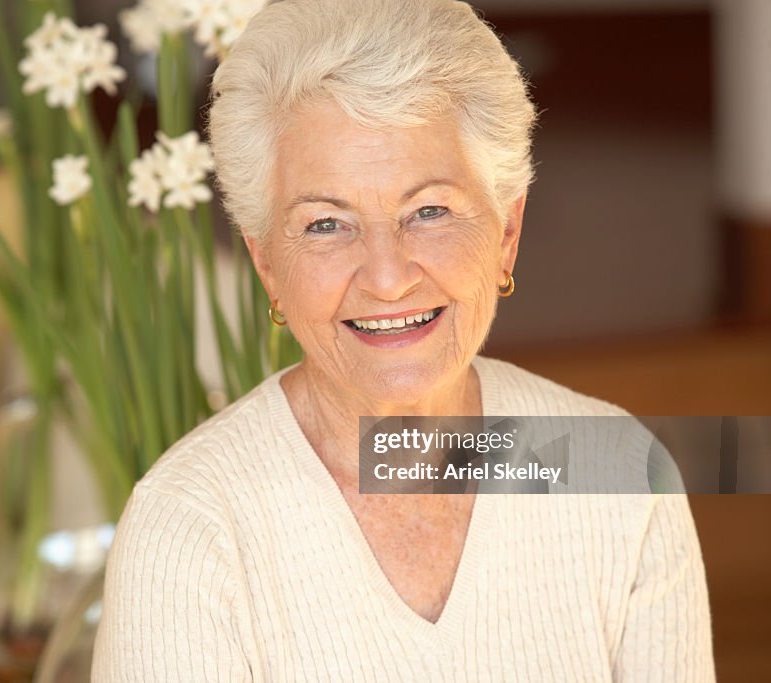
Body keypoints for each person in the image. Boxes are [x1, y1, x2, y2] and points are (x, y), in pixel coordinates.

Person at [92, 0, 715, 679]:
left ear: (506, 233)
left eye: (429, 211)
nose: (387, 278)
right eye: (327, 224)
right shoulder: (188, 529)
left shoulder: (622, 475)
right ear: (267, 261)